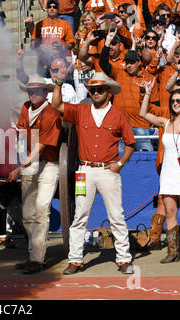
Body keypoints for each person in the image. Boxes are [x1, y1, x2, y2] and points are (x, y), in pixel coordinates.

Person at [52, 72, 135, 275]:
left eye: (99, 89)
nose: (95, 92)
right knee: (80, 216)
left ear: (108, 92)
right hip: (85, 170)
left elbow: (130, 143)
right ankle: (75, 260)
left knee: (116, 216)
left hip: (108, 170)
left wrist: (120, 163)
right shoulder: (81, 110)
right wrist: (58, 83)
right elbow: (57, 105)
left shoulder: (119, 115)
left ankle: (124, 259)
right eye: (92, 89)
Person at [140, 84, 180, 264]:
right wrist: (148, 94)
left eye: (179, 100)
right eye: (172, 101)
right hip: (167, 173)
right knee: (171, 212)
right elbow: (143, 114)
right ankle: (173, 252)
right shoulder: (165, 122)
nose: (175, 103)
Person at [8, 75, 61, 274]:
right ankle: (34, 255)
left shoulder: (51, 113)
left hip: (49, 164)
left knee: (41, 208)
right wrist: (22, 160)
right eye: (30, 91)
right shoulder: (25, 108)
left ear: (46, 92)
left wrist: (20, 167)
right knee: (27, 213)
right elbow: (22, 134)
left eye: (36, 90)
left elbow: (42, 144)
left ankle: (37, 259)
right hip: (30, 162)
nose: (32, 94)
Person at [100, 29, 158, 152]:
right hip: (121, 126)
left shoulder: (149, 79)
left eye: (132, 62)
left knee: (146, 159)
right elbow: (103, 63)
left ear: (139, 62)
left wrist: (155, 125)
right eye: (127, 63)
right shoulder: (120, 74)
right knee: (120, 160)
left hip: (142, 126)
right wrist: (108, 42)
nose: (129, 65)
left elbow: (155, 104)